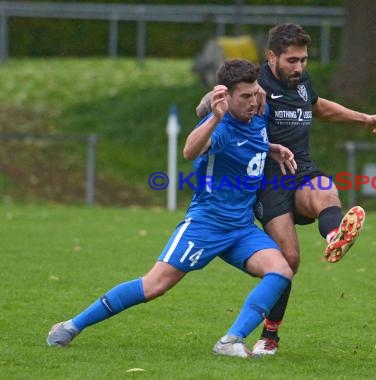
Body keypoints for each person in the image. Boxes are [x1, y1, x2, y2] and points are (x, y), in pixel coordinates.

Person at [46, 59, 297, 358]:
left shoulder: (258, 110)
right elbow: (190, 150)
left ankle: (231, 340)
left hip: (241, 228)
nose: (254, 101)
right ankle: (72, 325)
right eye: (245, 96)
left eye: (255, 93)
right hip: (206, 224)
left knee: (281, 270)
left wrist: (270, 148)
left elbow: (253, 134)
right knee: (155, 285)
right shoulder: (219, 127)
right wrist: (214, 118)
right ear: (225, 97)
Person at [196, 23, 376, 356]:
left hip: (301, 168)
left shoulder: (301, 82)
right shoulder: (256, 83)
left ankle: (336, 235)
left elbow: (317, 107)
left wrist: (365, 118)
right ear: (272, 56)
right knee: (288, 259)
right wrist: (212, 97)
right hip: (268, 181)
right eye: (292, 60)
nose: (299, 67)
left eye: (303, 60)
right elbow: (212, 102)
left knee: (327, 191)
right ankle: (269, 335)